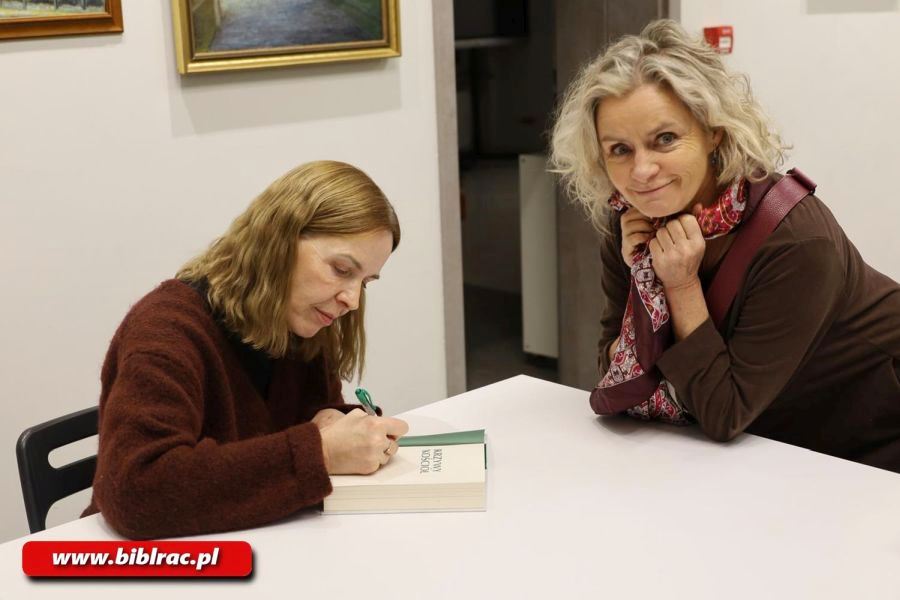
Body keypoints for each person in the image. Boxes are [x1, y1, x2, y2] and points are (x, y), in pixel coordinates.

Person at [550, 20, 900, 472]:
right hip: (769, 445)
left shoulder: (796, 241)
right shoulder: (629, 223)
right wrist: (642, 278)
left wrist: (678, 284)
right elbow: (616, 372)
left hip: (871, 441)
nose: (641, 171)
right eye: (620, 149)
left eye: (665, 139)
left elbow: (723, 410)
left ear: (713, 131)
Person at [83, 160, 409, 539]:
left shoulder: (302, 320)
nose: (352, 300)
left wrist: (333, 422)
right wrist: (319, 453)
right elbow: (137, 491)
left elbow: (301, 428)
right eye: (340, 269)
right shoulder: (166, 329)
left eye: (365, 282)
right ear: (279, 240)